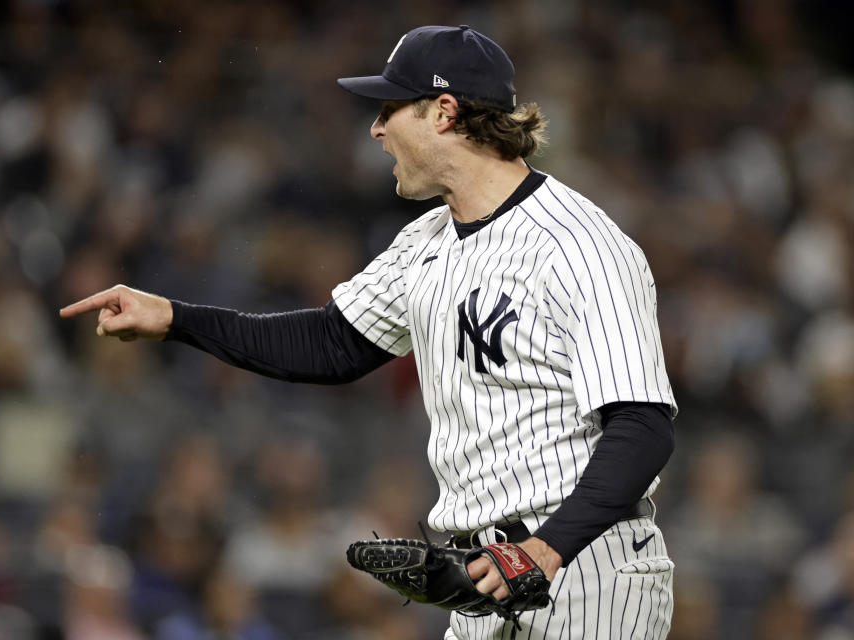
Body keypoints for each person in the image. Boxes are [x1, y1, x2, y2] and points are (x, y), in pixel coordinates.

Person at [61, 24, 677, 640]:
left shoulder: (580, 246)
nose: (377, 130)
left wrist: (544, 550)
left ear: (443, 112)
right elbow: (332, 344)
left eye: (389, 109)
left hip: (585, 570)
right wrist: (175, 318)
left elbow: (643, 428)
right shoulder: (425, 242)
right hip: (481, 578)